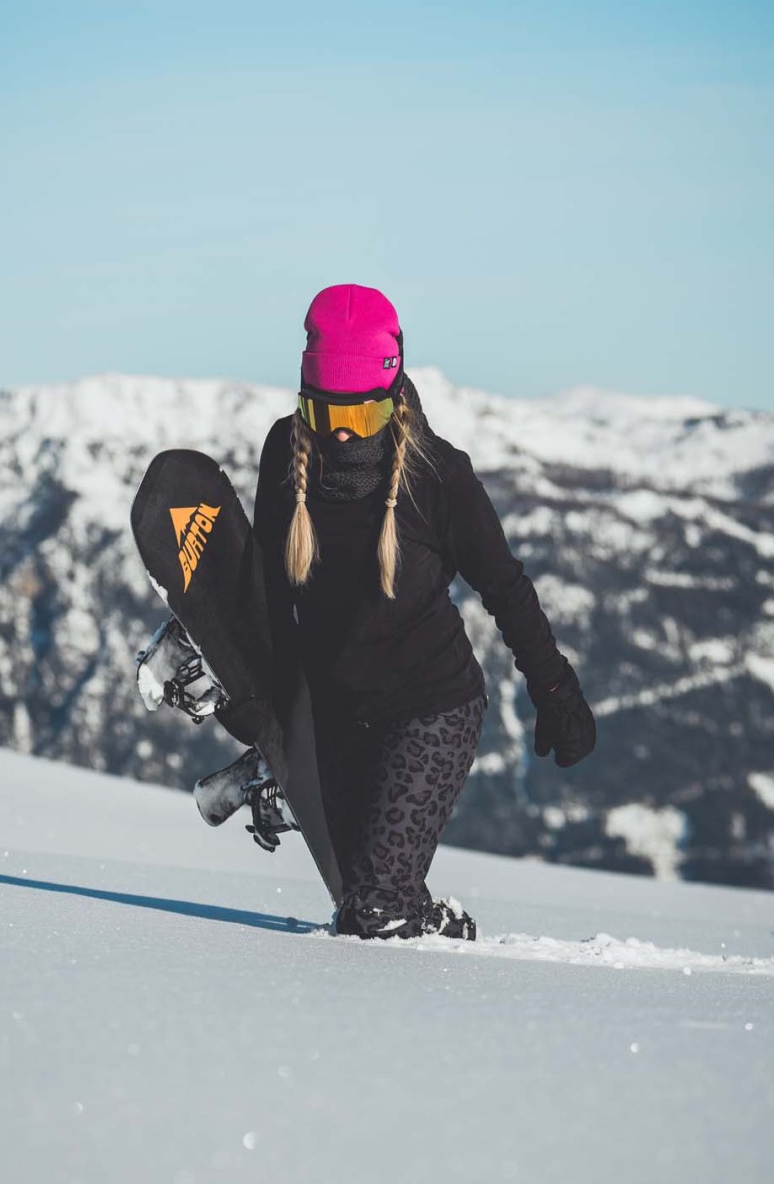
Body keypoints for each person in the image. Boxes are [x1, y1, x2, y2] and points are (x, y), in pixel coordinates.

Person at [253, 283, 596, 941]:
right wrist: (265, 704)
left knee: (378, 910)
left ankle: (433, 929)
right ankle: (420, 939)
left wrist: (556, 688)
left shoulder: (438, 477)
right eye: (328, 416)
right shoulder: (282, 458)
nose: (347, 432)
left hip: (431, 709)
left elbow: (505, 586)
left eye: (365, 415)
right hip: (338, 719)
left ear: (392, 395)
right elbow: (268, 591)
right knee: (361, 907)